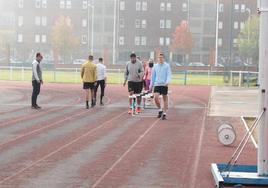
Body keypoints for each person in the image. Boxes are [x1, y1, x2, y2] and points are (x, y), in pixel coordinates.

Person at [150, 53, 172, 120]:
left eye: (161, 57)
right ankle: (160, 109)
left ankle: (164, 114)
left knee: (165, 99)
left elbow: (169, 75)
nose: (160, 59)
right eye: (159, 57)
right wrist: (151, 85)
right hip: (157, 84)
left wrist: (167, 82)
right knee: (156, 98)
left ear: (164, 58)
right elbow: (153, 76)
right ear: (158, 58)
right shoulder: (155, 66)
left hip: (164, 85)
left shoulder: (167, 66)